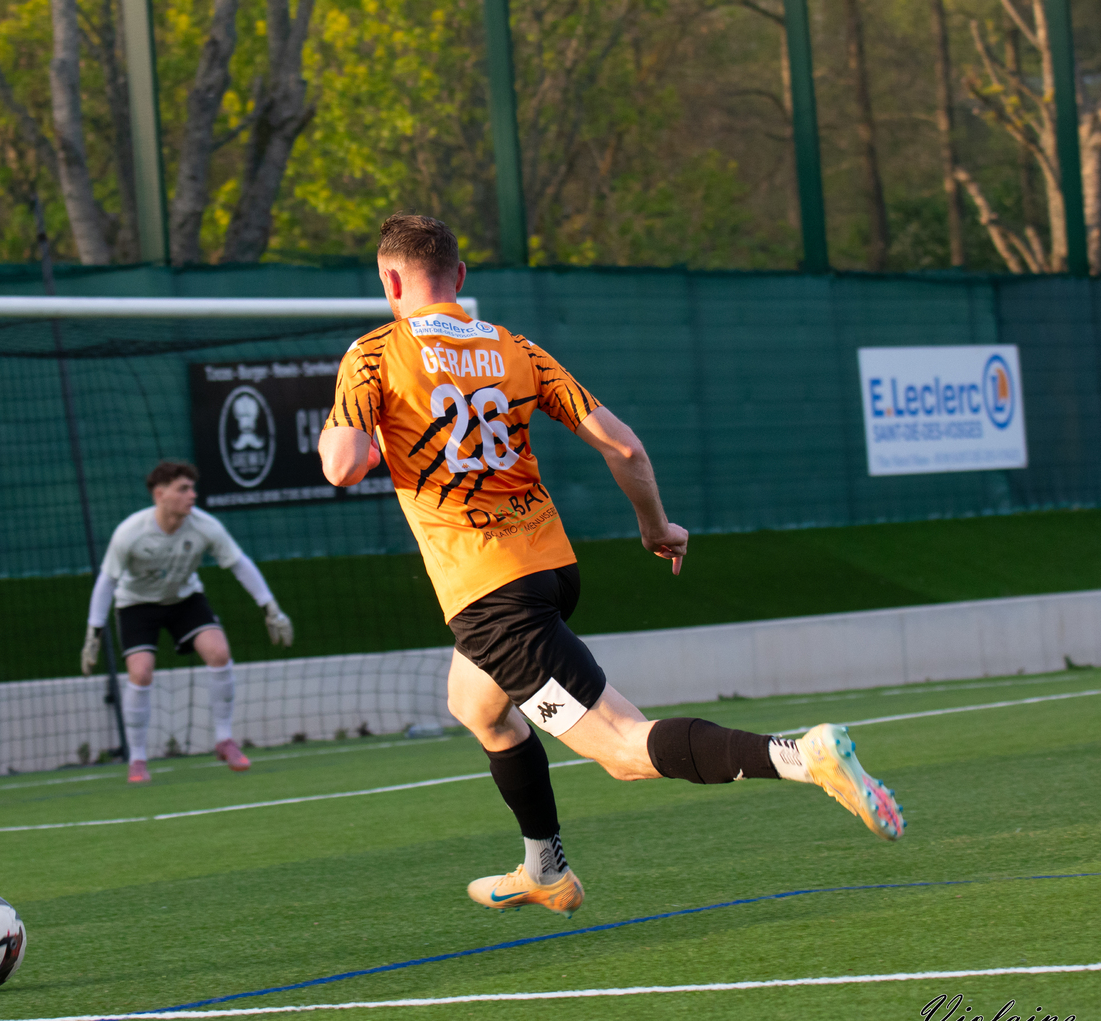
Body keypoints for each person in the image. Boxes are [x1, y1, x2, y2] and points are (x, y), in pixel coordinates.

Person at [318, 214, 904, 917]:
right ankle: (545, 869)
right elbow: (624, 446)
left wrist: (358, 439)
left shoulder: (374, 355)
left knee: (625, 751)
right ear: (460, 277)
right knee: (476, 708)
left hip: (490, 596)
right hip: (549, 570)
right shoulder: (514, 348)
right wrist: (656, 527)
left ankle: (802, 756)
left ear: (390, 280)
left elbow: (341, 465)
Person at [81, 460, 294, 783]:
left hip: (185, 599)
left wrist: (271, 608)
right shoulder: (129, 533)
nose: (192, 495)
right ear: (160, 494)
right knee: (141, 672)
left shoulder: (206, 526)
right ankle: (137, 759)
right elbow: (107, 581)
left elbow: (239, 564)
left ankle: (224, 739)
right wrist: (94, 632)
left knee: (219, 653)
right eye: (183, 489)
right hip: (137, 605)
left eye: (192, 488)